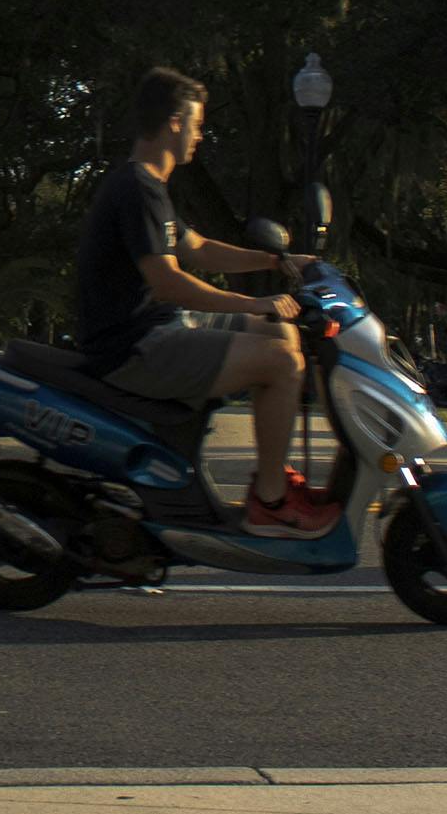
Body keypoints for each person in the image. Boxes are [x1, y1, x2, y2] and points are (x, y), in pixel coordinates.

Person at [72, 68, 337, 535]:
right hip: (133, 347)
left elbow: (198, 248)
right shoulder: (136, 188)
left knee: (283, 333)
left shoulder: (150, 186)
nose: (200, 134)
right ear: (175, 122)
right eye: (196, 123)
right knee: (280, 363)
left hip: (160, 330)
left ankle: (271, 478)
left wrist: (279, 262)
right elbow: (168, 282)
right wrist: (253, 304)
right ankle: (270, 501)